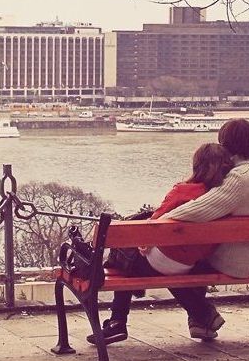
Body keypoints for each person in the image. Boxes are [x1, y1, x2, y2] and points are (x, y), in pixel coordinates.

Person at [92, 142, 235, 345]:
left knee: (123, 261)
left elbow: (154, 223)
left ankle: (117, 322)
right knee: (163, 270)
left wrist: (145, 241)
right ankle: (203, 314)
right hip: (190, 264)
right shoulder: (221, 198)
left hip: (162, 260)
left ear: (197, 166)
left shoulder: (182, 191)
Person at [160, 118, 249, 339]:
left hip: (235, 262)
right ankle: (201, 322)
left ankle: (204, 315)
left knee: (172, 265)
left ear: (228, 146)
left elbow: (198, 210)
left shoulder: (239, 178)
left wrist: (157, 224)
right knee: (188, 257)